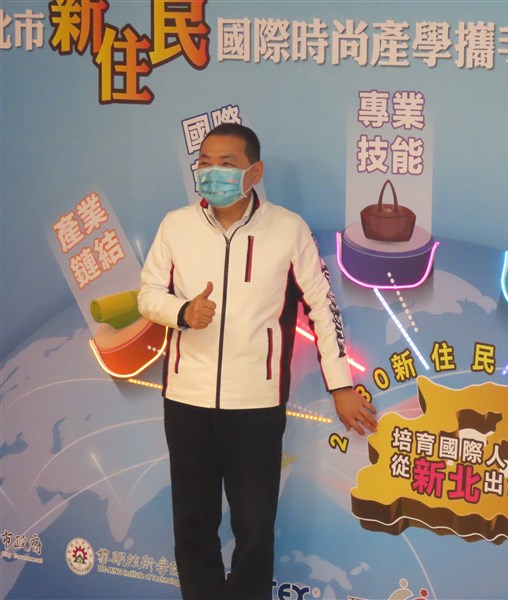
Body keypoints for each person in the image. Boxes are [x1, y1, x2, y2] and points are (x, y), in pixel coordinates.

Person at [138, 123, 377, 600]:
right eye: (204, 163)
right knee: (192, 525)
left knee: (254, 529)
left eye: (226, 163)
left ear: (255, 171)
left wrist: (340, 385)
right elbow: (147, 295)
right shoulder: (176, 226)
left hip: (256, 406)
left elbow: (322, 305)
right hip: (186, 401)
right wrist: (182, 312)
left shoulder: (287, 229)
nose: (212, 173)